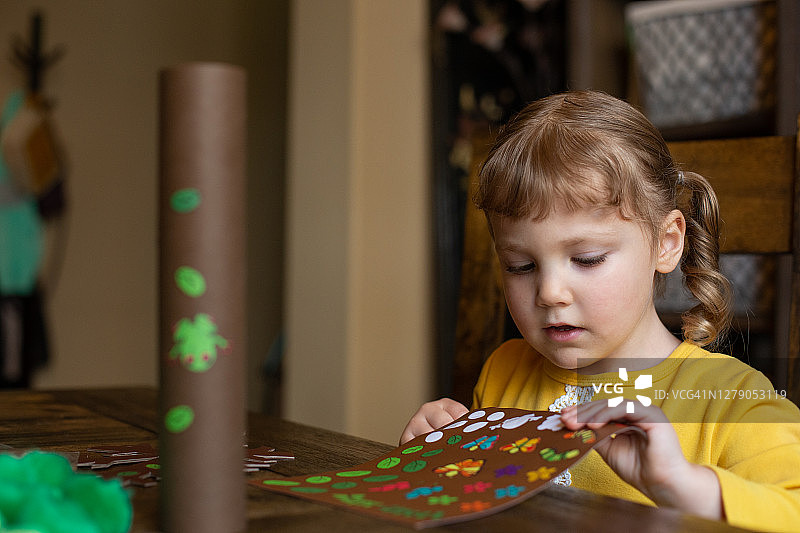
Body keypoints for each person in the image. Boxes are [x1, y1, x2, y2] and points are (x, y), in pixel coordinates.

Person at [400, 90, 800, 532]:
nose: (550, 292)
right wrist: (434, 467)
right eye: (521, 266)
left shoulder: (733, 399)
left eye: (587, 258)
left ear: (666, 243)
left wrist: (684, 486)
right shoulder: (503, 371)